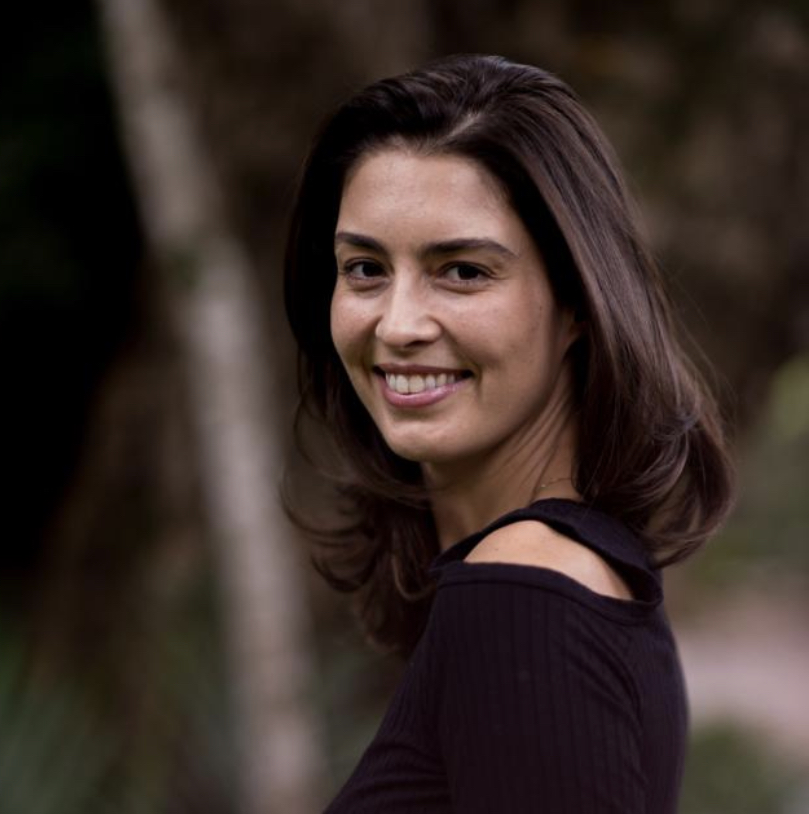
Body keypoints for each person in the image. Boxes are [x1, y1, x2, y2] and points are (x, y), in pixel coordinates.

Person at [283, 54, 734, 814]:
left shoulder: (525, 598)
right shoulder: (562, 579)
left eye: (462, 271)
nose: (397, 324)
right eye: (364, 269)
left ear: (578, 302)